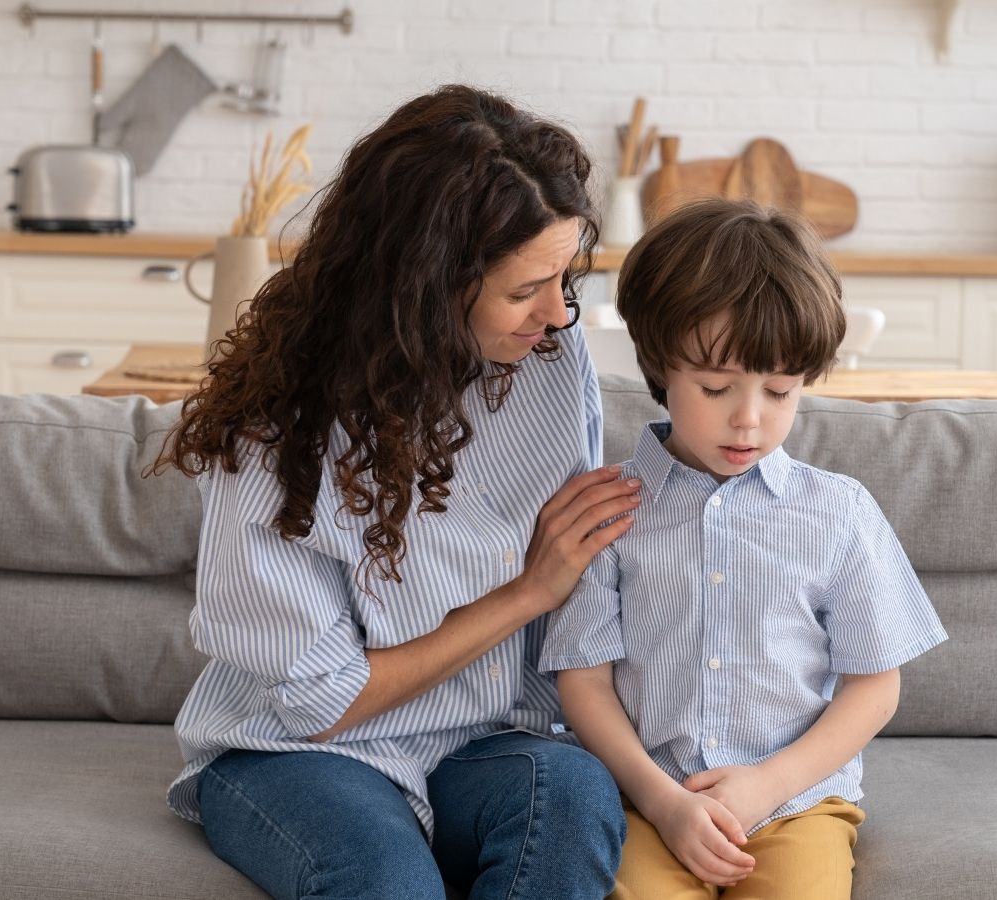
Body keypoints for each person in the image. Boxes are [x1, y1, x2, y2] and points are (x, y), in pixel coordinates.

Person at [151, 85, 637, 900]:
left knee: (575, 799)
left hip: (483, 741)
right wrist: (528, 593)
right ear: (424, 286)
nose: (557, 315)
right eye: (525, 290)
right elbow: (320, 702)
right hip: (297, 754)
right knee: (385, 883)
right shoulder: (275, 433)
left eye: (564, 280)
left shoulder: (549, 360)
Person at [539, 199, 949, 900]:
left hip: (795, 806)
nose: (750, 419)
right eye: (717, 387)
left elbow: (876, 685)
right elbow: (584, 682)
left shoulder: (837, 511)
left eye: (781, 391)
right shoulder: (610, 510)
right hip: (649, 803)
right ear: (660, 364)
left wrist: (768, 785)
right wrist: (663, 803)